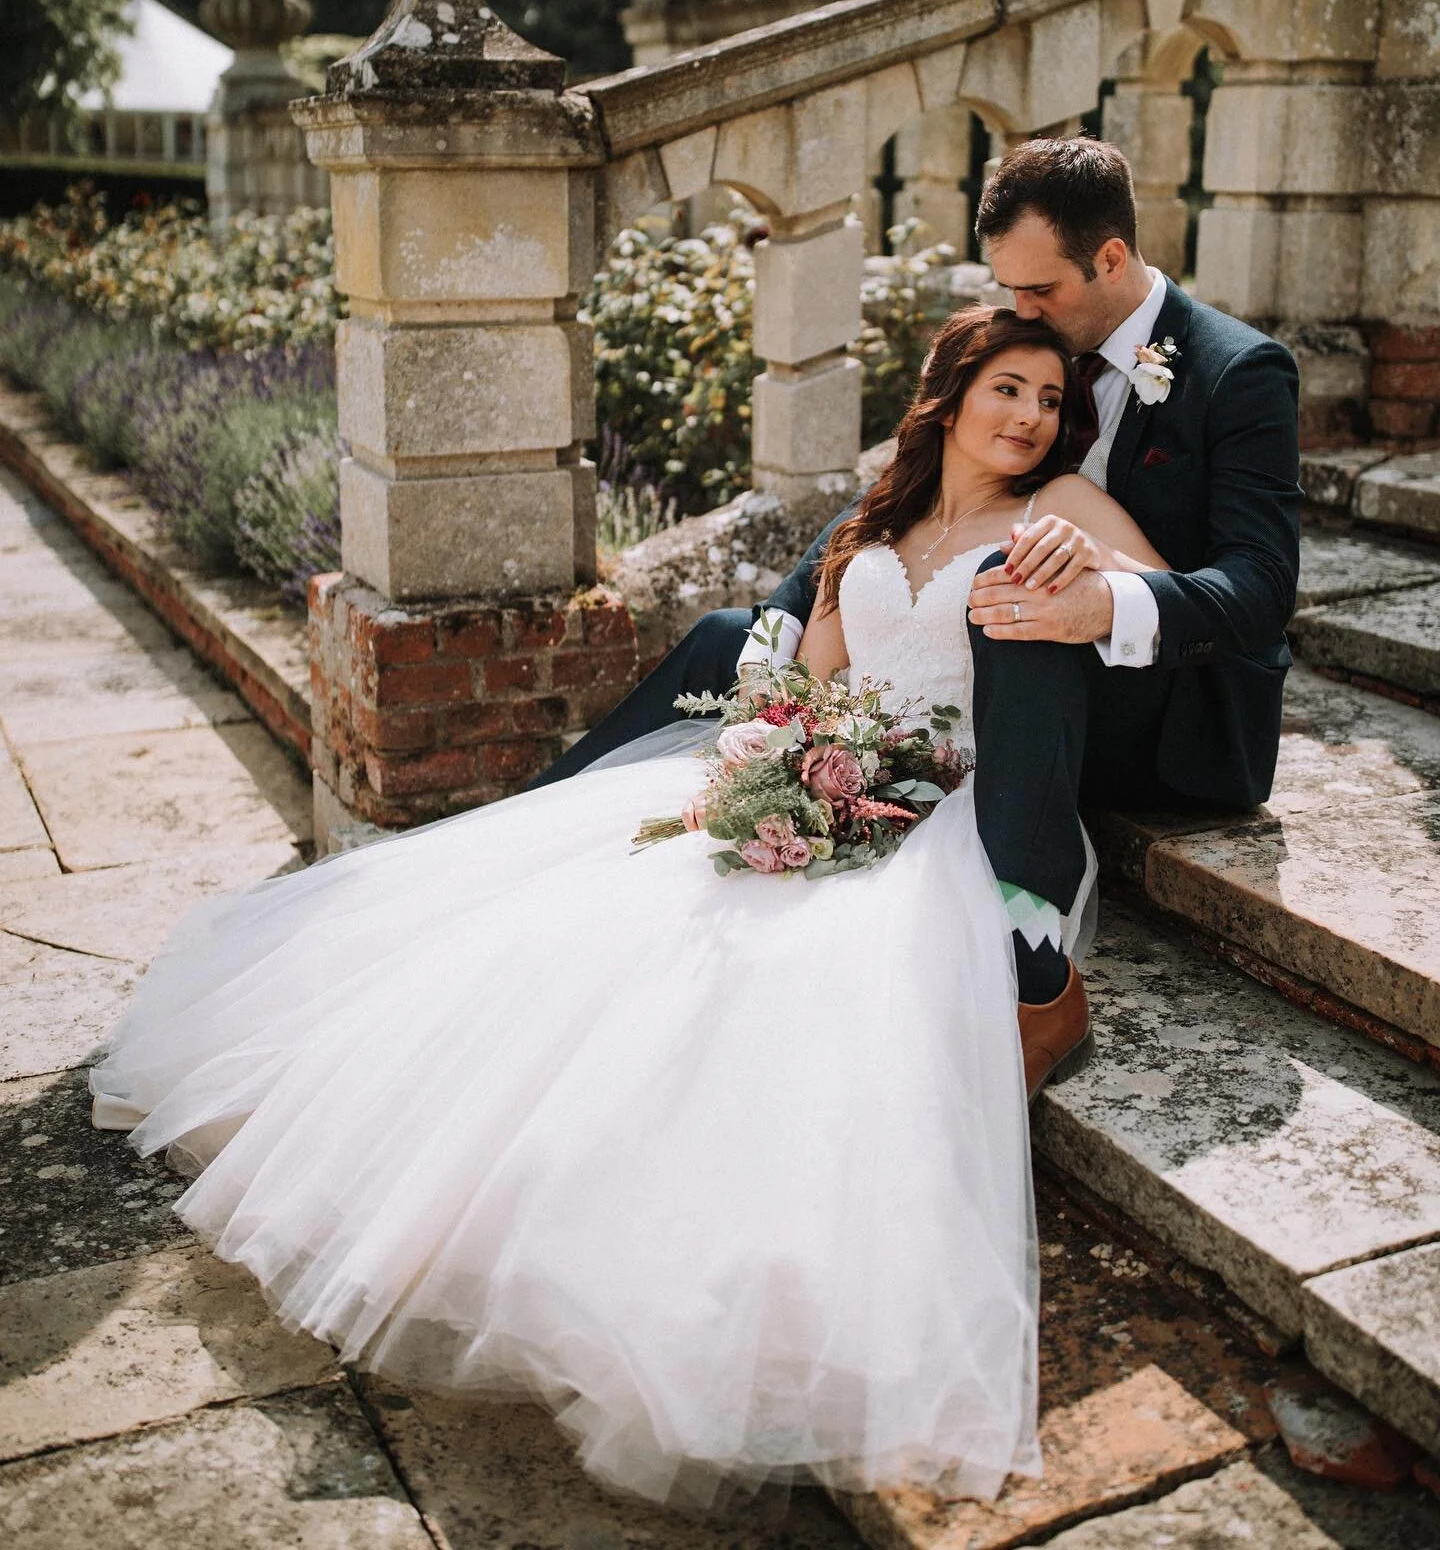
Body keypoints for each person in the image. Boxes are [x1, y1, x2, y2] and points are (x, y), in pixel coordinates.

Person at [91, 308, 1164, 1511]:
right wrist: (785, 751)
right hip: (830, 771)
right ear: (953, 393)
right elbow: (819, 673)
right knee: (617, 925)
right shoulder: (879, 516)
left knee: (799, 979)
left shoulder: (1065, 507)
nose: (1031, 419)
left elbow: (1168, 603)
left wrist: (1098, 577)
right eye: (1008, 390)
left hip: (958, 809)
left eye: (1050, 401)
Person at [535, 138, 1302, 1100]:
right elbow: (908, 503)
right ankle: (542, 806)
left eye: (1041, 291)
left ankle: (1035, 969)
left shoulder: (1236, 372)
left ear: (1110, 260)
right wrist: (785, 659)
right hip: (990, 670)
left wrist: (1103, 598)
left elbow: (1263, 590)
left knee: (1007, 598)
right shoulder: (1031, 350)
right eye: (1009, 291)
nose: (1021, 314)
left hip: (1163, 701)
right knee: (731, 637)